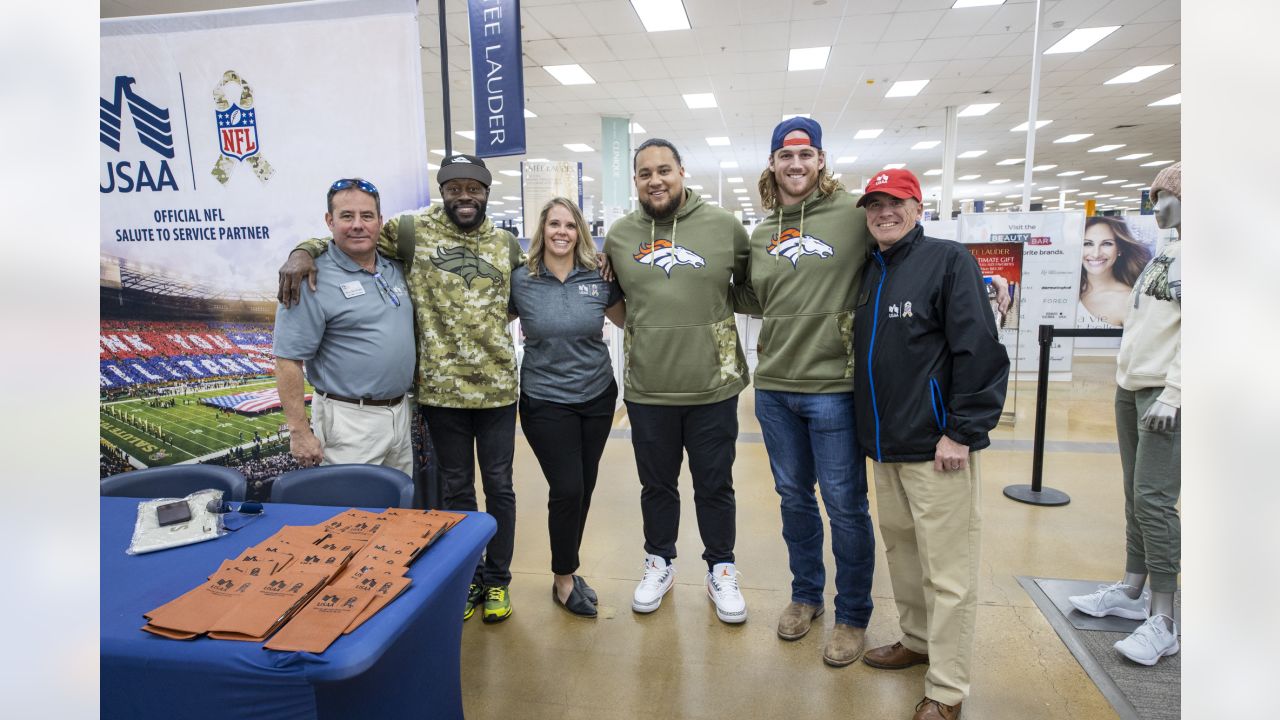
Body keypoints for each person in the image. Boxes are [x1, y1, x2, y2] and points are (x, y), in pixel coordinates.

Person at [277, 154, 523, 624]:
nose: (464, 196)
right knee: (455, 492)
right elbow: (346, 237)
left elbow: (516, 298)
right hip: (436, 396)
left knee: (499, 489)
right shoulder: (411, 232)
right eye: (454, 188)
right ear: (442, 191)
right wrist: (301, 251)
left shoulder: (506, 244)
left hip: (490, 392)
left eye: (474, 188)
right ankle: (465, 577)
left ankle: (498, 580)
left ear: (487, 192)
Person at [852, 168, 1009, 720]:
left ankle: (946, 689)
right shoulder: (872, 270)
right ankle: (917, 641)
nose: (883, 213)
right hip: (886, 446)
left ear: (918, 207)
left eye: (894, 203)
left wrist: (963, 431)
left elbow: (981, 352)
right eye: (874, 205)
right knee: (903, 553)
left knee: (949, 572)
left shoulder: (948, 261)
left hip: (937, 448)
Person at [736, 117, 876, 666]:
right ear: (772, 164)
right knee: (794, 499)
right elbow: (752, 297)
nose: (796, 164)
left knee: (845, 506)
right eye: (785, 156)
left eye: (806, 154)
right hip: (773, 387)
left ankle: (854, 613)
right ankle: (805, 595)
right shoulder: (762, 229)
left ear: (821, 162)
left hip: (833, 387)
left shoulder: (855, 215)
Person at [604, 138, 751, 624]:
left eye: (664, 169)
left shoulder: (723, 226)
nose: (655, 180)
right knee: (657, 485)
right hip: (649, 388)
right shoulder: (621, 236)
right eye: (645, 173)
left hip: (713, 386)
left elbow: (749, 288)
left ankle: (721, 568)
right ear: (636, 181)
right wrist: (651, 330)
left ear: (682, 172)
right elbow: (618, 305)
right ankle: (659, 562)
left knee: (715, 484)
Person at [1068, 162, 1181, 666]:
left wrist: (1176, 392)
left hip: (1165, 393)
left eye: (1169, 197)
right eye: (1155, 196)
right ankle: (1132, 591)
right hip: (1132, 386)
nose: (1158, 206)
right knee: (1136, 494)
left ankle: (1165, 618)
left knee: (1155, 500)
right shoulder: (1165, 255)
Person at [509, 197, 625, 618]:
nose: (562, 232)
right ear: (543, 230)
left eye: (570, 225)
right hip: (545, 400)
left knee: (585, 488)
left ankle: (569, 568)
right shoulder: (520, 279)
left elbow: (628, 319)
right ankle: (562, 578)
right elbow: (487, 321)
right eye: (554, 224)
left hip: (597, 396)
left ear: (580, 232)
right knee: (568, 489)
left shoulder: (598, 275)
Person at [272, 178, 414, 476]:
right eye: (347, 216)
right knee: (354, 515)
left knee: (400, 513)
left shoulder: (394, 267)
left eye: (367, 216)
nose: (358, 225)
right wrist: (299, 431)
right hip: (349, 419)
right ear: (329, 220)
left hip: (400, 414)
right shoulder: (308, 278)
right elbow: (287, 360)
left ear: (380, 221)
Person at [1077, 216, 1153, 328]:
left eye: (1106, 244)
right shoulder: (1067, 292)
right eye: (1088, 244)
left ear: (1119, 249)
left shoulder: (1130, 300)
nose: (1096, 254)